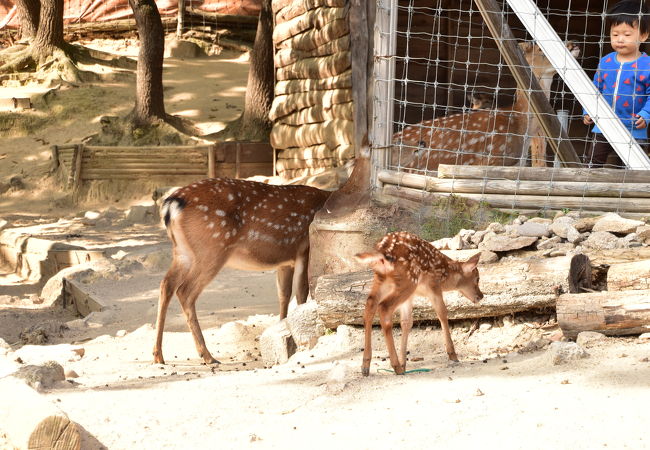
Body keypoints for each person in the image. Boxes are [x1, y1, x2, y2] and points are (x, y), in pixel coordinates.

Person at [583, 0, 650, 167]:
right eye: (614, 34)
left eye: (627, 35)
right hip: (603, 125)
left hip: (633, 128)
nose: (620, 39)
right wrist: (588, 110)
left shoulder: (647, 65)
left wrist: (647, 115)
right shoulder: (605, 62)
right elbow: (594, 90)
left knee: (632, 169)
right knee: (592, 163)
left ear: (643, 35)